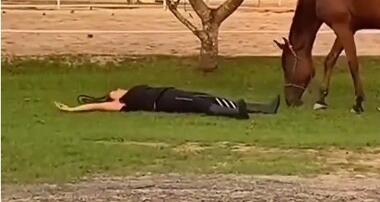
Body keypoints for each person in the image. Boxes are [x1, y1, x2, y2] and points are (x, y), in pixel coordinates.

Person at [54, 85, 281, 120]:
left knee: (207, 98)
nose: (115, 88)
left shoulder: (131, 91)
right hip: (166, 101)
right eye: (111, 91)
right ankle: (235, 114)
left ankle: (263, 108)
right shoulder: (122, 103)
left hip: (171, 92)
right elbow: (95, 105)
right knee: (200, 105)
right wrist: (72, 109)